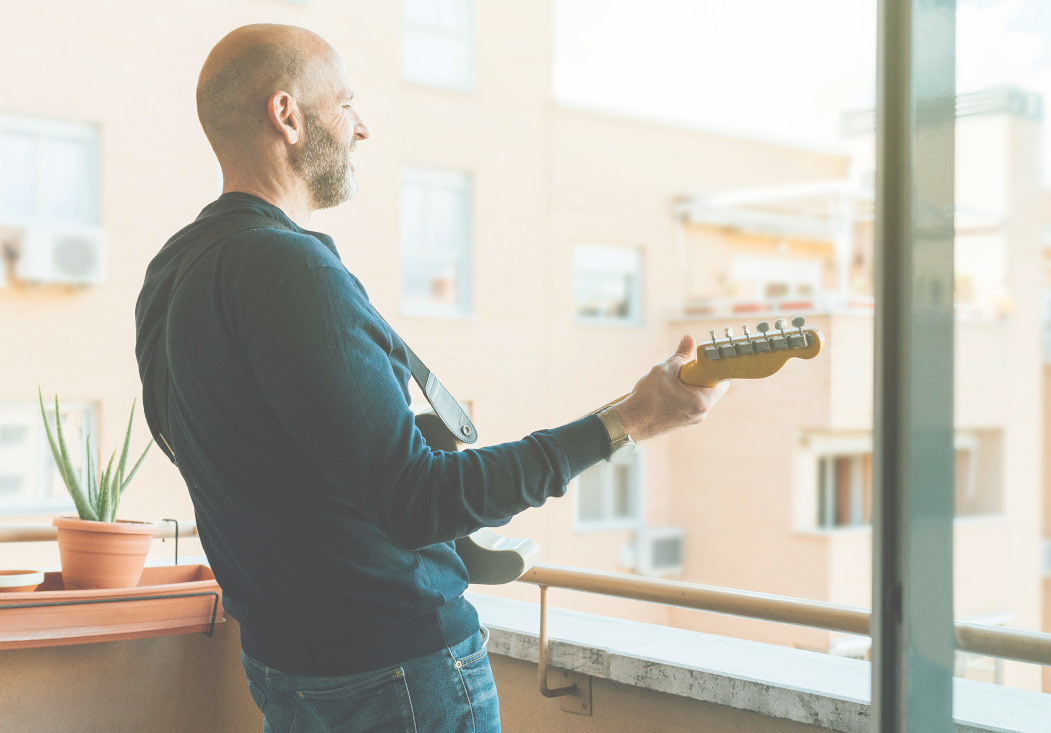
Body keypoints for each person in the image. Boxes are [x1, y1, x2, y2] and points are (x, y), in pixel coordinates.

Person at [135, 23, 728, 733]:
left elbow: (238, 456)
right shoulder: (290, 269)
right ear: (286, 115)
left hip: (287, 672)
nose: (362, 128)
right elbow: (414, 500)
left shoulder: (171, 274)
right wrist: (632, 418)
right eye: (345, 102)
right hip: (397, 680)